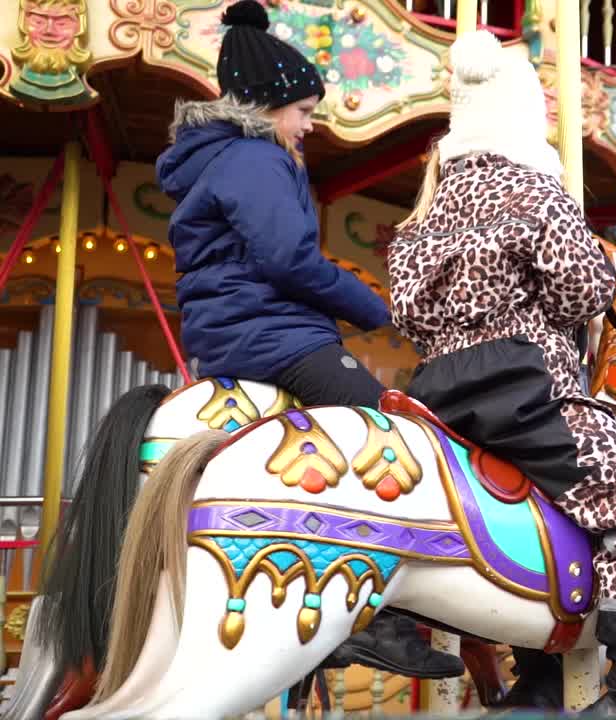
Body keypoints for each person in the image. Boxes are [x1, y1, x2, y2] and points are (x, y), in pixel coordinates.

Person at [154, 0, 462, 681]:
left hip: (234, 331)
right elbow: (289, 260)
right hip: (270, 334)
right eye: (302, 111)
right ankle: (380, 622)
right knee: (391, 436)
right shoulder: (254, 159)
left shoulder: (216, 159)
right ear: (268, 107)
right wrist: (378, 310)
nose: (309, 125)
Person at [386, 30, 616, 709]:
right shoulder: (535, 193)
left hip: (438, 395)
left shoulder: (424, 212)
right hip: (525, 389)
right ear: (523, 118)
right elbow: (585, 291)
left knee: (546, 508)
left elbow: (405, 312)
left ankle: (541, 676)